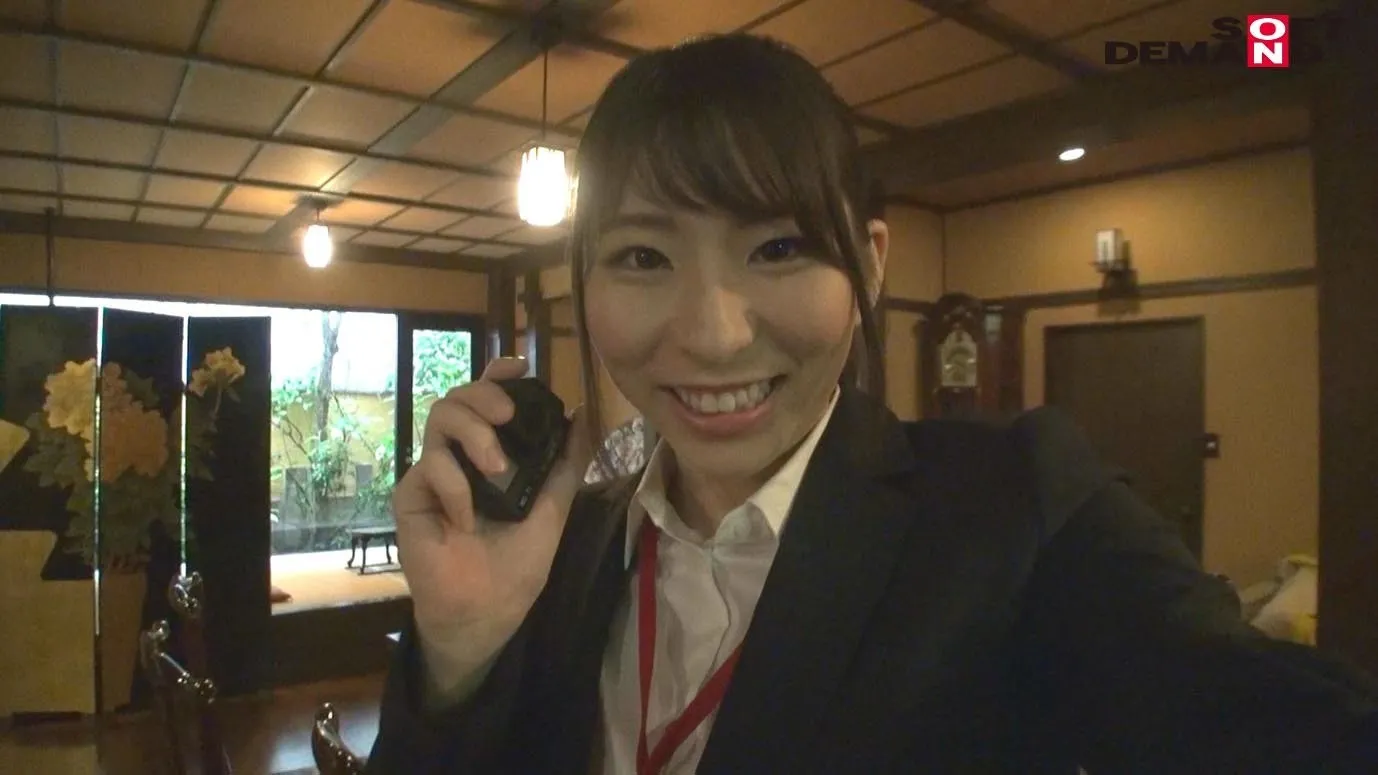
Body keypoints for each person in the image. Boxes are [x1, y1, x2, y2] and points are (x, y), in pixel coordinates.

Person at [366, 34, 1378, 774]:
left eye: (777, 247)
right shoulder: (561, 544)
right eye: (640, 256)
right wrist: (459, 651)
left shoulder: (1015, 514)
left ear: (870, 265)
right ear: (581, 283)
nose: (713, 333)